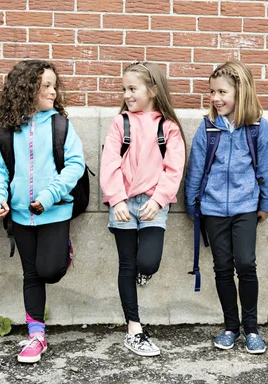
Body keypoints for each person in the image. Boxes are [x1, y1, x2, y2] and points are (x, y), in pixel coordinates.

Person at [0, 59, 85, 363]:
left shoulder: (60, 125)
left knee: (50, 270)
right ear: (27, 89)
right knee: (31, 275)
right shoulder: (6, 129)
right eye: (46, 86)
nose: (53, 91)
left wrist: (49, 194)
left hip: (55, 210)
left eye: (54, 85)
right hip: (19, 214)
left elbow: (75, 166)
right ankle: (36, 336)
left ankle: (62, 252)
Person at [184, 61, 268, 354]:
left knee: (246, 264)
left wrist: (266, 203)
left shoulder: (258, 127)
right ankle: (230, 327)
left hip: (245, 206)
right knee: (222, 267)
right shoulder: (207, 128)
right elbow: (195, 168)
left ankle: (251, 329)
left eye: (222, 92)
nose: (215, 98)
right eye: (212, 92)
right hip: (212, 208)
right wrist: (192, 203)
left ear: (241, 92)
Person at [100, 62, 186, 357]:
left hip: (152, 204)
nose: (127, 94)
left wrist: (159, 199)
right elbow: (109, 162)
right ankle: (134, 329)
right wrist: (116, 199)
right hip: (123, 203)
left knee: (148, 261)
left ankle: (143, 272)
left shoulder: (168, 127)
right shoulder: (119, 122)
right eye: (124, 89)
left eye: (132, 88)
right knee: (126, 264)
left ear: (153, 90)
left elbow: (174, 168)